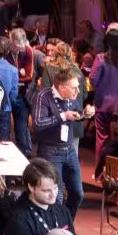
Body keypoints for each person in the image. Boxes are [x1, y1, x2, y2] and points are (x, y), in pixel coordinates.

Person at [30, 65, 90, 208]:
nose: (78, 91)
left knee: (78, 194)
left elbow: (76, 113)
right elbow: (38, 123)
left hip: (69, 150)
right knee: (56, 197)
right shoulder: (44, 96)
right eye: (74, 88)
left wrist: (84, 114)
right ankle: (56, 221)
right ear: (62, 87)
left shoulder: (70, 97)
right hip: (50, 151)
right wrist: (63, 116)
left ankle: (66, 220)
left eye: (78, 87)